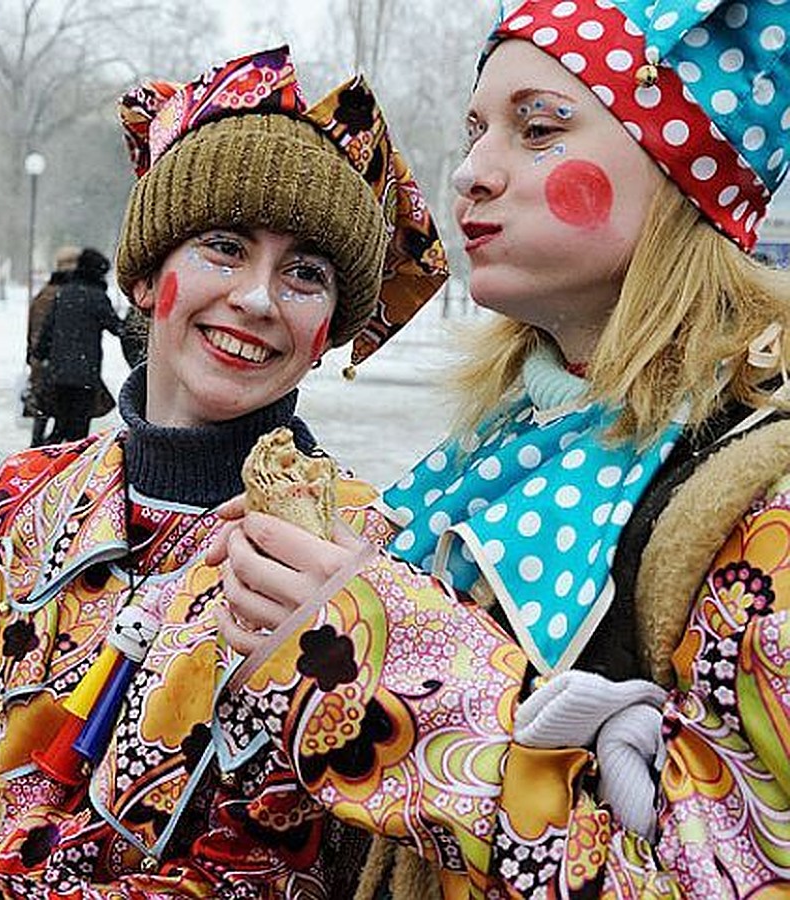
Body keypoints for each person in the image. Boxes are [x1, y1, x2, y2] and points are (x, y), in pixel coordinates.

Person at [209, 1, 790, 897]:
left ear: (685, 179)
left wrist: (385, 663)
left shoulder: (765, 503)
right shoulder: (498, 445)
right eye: (477, 130)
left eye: (540, 129)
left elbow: (721, 877)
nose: (472, 173)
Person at [0, 45, 447, 897]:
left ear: (331, 330)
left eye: (306, 273)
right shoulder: (18, 501)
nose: (257, 297)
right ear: (145, 274)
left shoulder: (355, 555)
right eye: (223, 245)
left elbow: (284, 872)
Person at [35, 246, 123, 443]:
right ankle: (69, 468)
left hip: (58, 374)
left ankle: (50, 464)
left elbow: (47, 329)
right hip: (84, 377)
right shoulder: (97, 297)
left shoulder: (64, 293)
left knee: (60, 427)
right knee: (77, 432)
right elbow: (118, 328)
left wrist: (39, 355)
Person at [24, 246, 81, 447]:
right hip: (55, 362)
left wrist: (32, 356)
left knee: (43, 413)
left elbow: (31, 329)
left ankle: (36, 451)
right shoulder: (65, 296)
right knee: (58, 417)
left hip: (41, 360)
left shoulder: (44, 293)